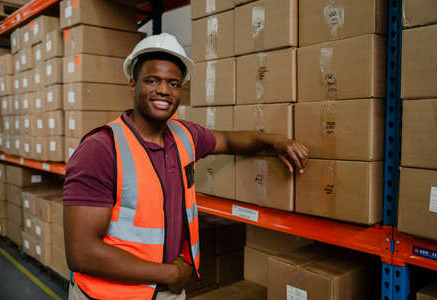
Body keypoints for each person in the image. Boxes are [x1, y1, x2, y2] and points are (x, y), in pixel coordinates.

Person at [63, 33, 309, 300]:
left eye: (173, 83)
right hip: (111, 295)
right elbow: (81, 252)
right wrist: (168, 274)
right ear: (133, 85)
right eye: (152, 80)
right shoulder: (101, 149)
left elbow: (228, 140)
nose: (164, 91)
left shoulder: (184, 136)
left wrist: (274, 141)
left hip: (167, 291)